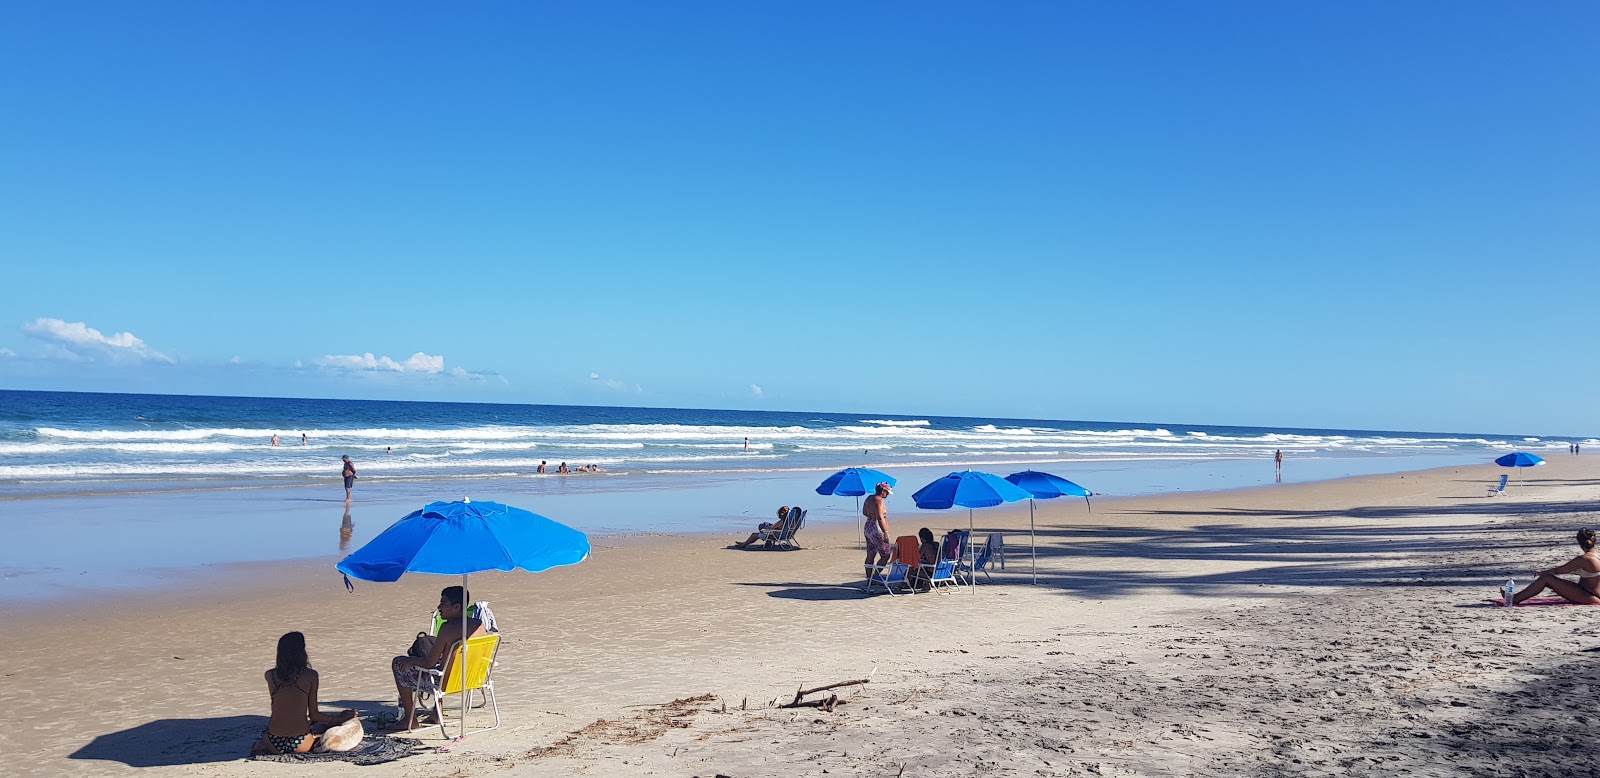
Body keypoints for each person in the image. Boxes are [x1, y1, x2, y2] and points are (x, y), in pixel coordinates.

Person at [388, 586, 486, 732]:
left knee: (398, 663)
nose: (439, 607)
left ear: (456, 606)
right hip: (472, 678)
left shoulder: (447, 629)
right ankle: (436, 713)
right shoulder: (478, 625)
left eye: (443, 603)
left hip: (447, 683)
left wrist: (411, 660)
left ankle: (410, 719)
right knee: (442, 664)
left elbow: (428, 663)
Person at [256, 632, 356, 755]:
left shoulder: (270, 675)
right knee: (329, 730)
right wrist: (339, 718)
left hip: (272, 741)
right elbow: (314, 715)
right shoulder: (310, 675)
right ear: (301, 652)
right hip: (300, 742)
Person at [1507, 529, 1600, 605]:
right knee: (1547, 578)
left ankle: (1515, 599)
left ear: (1579, 542)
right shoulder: (1597, 555)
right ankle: (1515, 597)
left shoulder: (1584, 559)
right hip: (1591, 593)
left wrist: (1542, 573)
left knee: (1546, 578)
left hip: (1589, 595)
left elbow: (1559, 570)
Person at [862, 482, 893, 580]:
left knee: (870, 553)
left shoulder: (869, 498)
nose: (887, 495)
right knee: (885, 555)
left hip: (868, 525)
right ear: (883, 491)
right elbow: (880, 517)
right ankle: (875, 576)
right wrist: (885, 532)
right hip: (877, 528)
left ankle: (868, 577)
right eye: (887, 493)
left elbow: (864, 512)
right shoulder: (879, 501)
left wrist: (872, 515)